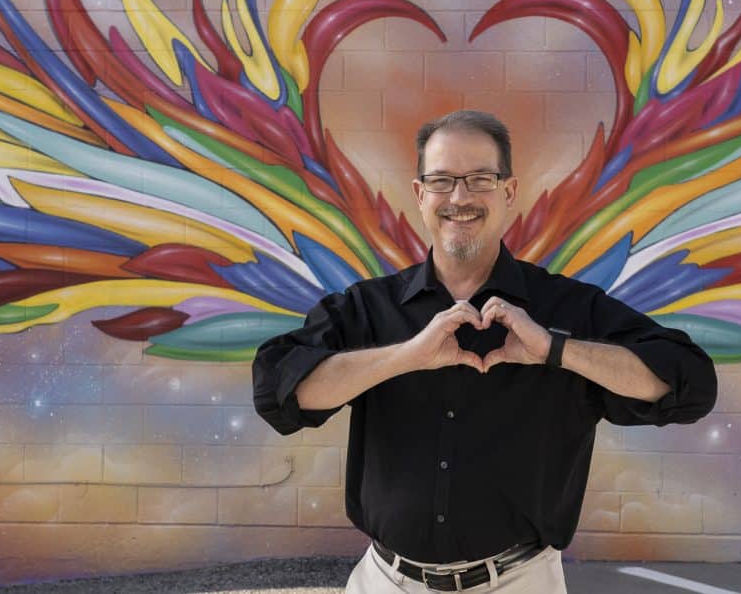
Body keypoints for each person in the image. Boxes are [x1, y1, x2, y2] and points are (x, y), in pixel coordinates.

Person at [252, 110, 717, 593]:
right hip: (385, 581)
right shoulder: (369, 308)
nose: (460, 197)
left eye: (480, 179)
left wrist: (555, 350)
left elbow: (690, 384)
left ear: (508, 192)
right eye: (442, 181)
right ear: (419, 194)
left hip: (520, 581)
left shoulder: (568, 310)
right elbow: (277, 390)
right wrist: (406, 356)